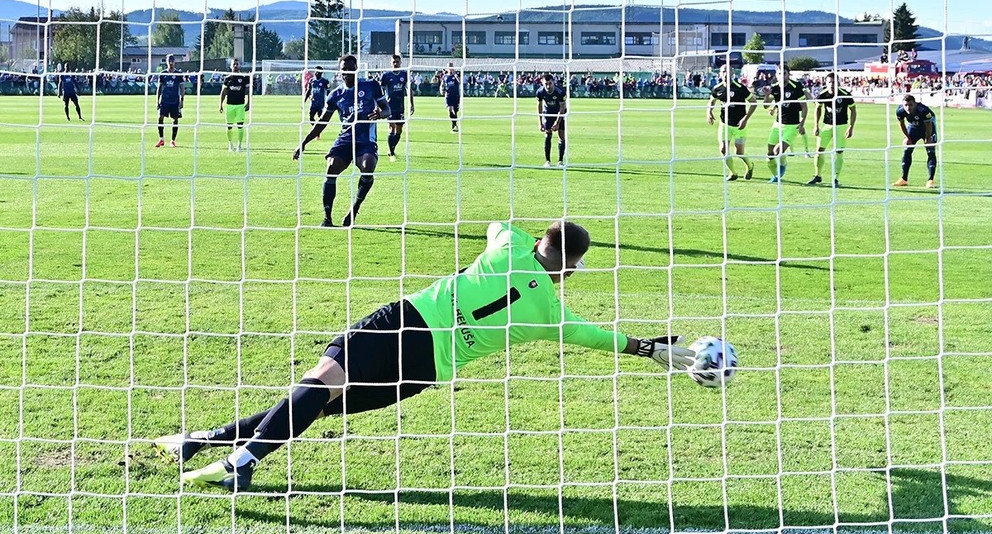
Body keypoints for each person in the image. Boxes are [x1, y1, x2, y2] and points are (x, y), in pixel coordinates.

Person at [153, 220, 697, 492]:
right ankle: (195, 443)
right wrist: (652, 349)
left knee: (318, 385)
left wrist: (516, 243)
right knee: (315, 399)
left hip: (407, 322)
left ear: (538, 244)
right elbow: (607, 339)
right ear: (572, 269)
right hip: (426, 371)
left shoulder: (509, 247)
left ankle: (239, 463)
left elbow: (496, 224)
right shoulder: (554, 314)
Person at [292, 55, 390, 227]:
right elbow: (321, 123)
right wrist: (303, 143)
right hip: (345, 140)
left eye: (351, 68)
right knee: (331, 167)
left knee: (368, 169)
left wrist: (380, 114)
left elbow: (387, 109)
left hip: (366, 141)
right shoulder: (335, 95)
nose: (348, 71)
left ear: (356, 68)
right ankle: (327, 218)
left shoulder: (370, 86)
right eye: (344, 68)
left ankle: (354, 209)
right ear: (340, 71)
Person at [706, 64, 757, 181]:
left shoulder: (740, 88)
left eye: (728, 71)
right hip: (725, 124)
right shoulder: (717, 88)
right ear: (720, 73)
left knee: (739, 152)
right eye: (723, 71)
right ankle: (733, 173)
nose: (725, 74)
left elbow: (753, 102)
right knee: (723, 149)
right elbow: (712, 101)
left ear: (732, 73)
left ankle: (750, 165)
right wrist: (709, 112)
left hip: (740, 125)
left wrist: (745, 119)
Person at [762, 65, 811, 183]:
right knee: (770, 154)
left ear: (788, 74)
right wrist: (767, 94)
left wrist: (802, 123)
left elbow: (804, 106)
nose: (781, 76)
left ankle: (783, 165)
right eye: (779, 73)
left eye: (784, 73)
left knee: (777, 151)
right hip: (778, 124)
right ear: (776, 75)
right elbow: (765, 106)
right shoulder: (774, 88)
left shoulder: (795, 87)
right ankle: (776, 175)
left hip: (792, 126)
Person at [809, 72, 856, 187]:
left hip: (841, 126)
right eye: (829, 82)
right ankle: (817, 175)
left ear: (838, 83)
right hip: (826, 126)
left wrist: (851, 127)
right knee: (819, 150)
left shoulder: (845, 95)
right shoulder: (822, 95)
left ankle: (835, 178)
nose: (832, 84)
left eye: (834, 82)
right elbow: (818, 109)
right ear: (826, 83)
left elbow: (853, 110)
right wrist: (816, 125)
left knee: (839, 152)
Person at [893, 94, 938, 188]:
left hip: (928, 128)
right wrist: (907, 137)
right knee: (907, 150)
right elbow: (901, 124)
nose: (908, 107)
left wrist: (928, 138)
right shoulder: (900, 111)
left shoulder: (923, 110)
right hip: (913, 127)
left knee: (930, 150)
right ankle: (903, 179)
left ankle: (931, 180)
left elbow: (929, 124)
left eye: (910, 105)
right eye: (906, 105)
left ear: (915, 104)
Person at [379, 54, 415, 162]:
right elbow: (380, 91)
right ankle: (391, 152)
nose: (395, 64)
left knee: (399, 130)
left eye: (397, 62)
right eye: (394, 62)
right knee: (391, 127)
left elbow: (409, 90)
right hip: (389, 107)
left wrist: (412, 104)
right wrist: (382, 104)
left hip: (400, 106)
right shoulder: (386, 76)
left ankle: (392, 148)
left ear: (400, 63)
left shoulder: (404, 74)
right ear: (391, 63)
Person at [219, 58, 250, 152]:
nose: (235, 66)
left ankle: (239, 145)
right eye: (234, 64)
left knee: (240, 125)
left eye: (237, 64)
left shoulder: (244, 78)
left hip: (240, 105)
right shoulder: (227, 79)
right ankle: (230, 143)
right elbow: (223, 92)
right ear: (231, 66)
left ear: (239, 66)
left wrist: (249, 102)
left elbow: (249, 91)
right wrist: (220, 104)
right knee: (229, 126)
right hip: (230, 105)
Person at [536, 73, 567, 168]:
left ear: (553, 82)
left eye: (550, 83)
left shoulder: (560, 92)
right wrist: (540, 123)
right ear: (542, 83)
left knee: (561, 136)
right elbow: (539, 106)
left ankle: (560, 161)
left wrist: (557, 123)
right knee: (548, 133)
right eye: (546, 84)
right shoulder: (540, 92)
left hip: (560, 112)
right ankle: (547, 161)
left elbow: (562, 107)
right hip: (548, 112)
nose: (548, 86)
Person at [155, 54, 185, 148]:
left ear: (174, 61)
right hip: (165, 100)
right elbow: (159, 88)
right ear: (167, 62)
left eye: (172, 61)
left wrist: (182, 100)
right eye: (169, 61)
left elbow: (182, 88)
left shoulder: (178, 74)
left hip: (174, 100)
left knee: (175, 119)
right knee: (160, 117)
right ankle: (161, 139)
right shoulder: (163, 73)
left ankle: (173, 140)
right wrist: (157, 100)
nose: (171, 63)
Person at [303, 65, 331, 140]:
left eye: (318, 72)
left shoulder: (325, 81)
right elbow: (308, 91)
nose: (316, 73)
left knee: (320, 119)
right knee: (311, 117)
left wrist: (329, 101)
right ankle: (316, 132)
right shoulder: (312, 80)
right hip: (313, 102)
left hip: (321, 103)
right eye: (315, 71)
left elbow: (328, 91)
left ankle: (317, 132)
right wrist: (304, 101)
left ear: (321, 73)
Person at [441, 62, 460, 133]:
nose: (450, 68)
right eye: (449, 67)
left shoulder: (456, 75)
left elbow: (460, 81)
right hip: (448, 95)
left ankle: (454, 125)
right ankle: (454, 126)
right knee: (450, 109)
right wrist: (441, 89)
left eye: (451, 67)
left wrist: (455, 74)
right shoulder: (445, 76)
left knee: (455, 111)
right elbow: (442, 84)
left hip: (455, 95)